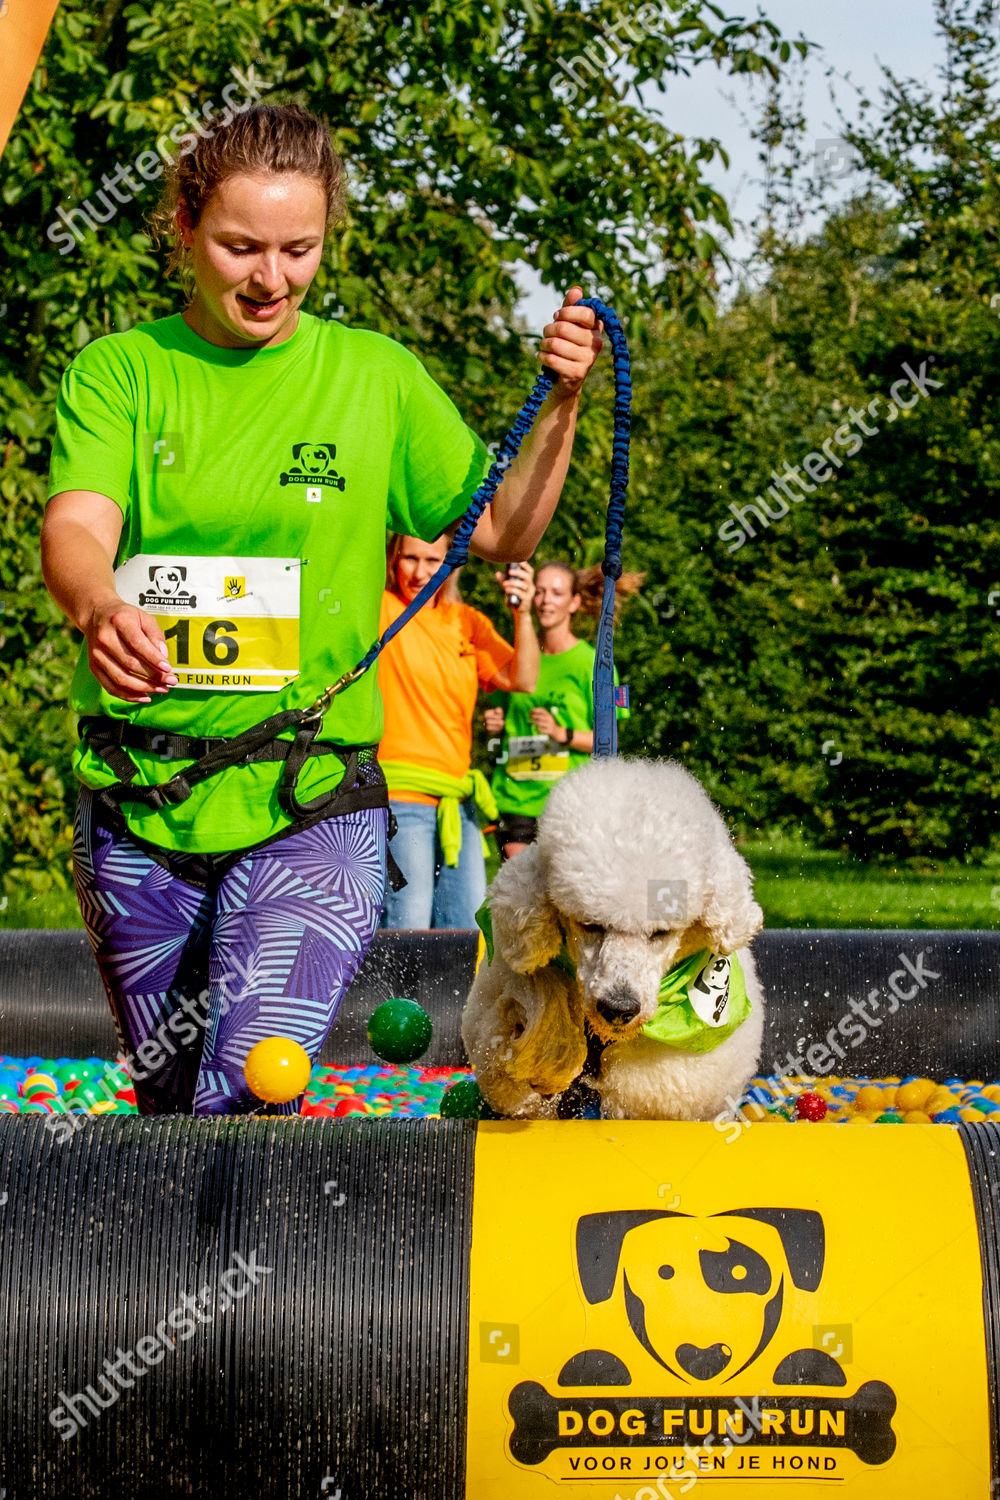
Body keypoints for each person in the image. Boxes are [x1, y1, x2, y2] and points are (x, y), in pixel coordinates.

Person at [39, 101, 603, 1117]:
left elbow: (506, 529)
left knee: (249, 1086)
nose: (271, 277)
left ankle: (269, 1257)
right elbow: (79, 526)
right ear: (182, 230)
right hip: (138, 793)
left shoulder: (374, 377)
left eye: (300, 249)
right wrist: (94, 607)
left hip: (313, 795)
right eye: (240, 245)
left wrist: (559, 402)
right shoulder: (121, 370)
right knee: (172, 1101)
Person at [378, 538, 537, 929]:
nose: (420, 572)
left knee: (469, 931)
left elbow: (524, 678)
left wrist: (524, 614)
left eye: (433, 560)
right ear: (392, 559)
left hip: (457, 802)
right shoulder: (379, 608)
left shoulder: (467, 621)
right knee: (407, 930)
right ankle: (394, 996)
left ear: (452, 563)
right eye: (409, 559)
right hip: (398, 797)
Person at [485, 560, 640, 858]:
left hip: (569, 804)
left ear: (574, 602)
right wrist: (495, 722)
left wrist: (561, 733)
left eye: (556, 593)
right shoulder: (517, 658)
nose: (545, 601)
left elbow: (610, 742)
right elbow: (504, 717)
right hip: (515, 798)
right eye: (539, 592)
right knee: (523, 898)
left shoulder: (596, 665)